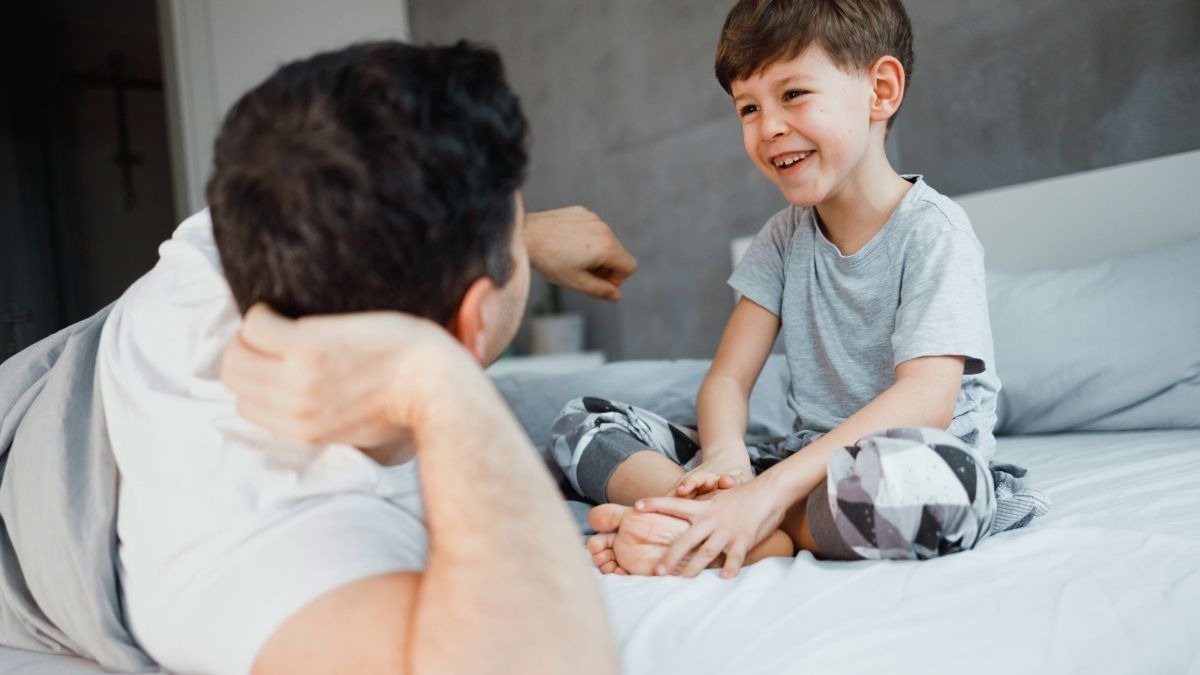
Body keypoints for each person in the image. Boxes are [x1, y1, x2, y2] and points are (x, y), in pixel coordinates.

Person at [97, 41, 629, 675]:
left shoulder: (258, 209)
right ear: (471, 324)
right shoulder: (262, 552)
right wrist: (436, 380)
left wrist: (529, 235)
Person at [551, 0, 1014, 578]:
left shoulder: (934, 232)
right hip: (799, 466)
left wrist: (768, 493)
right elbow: (727, 378)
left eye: (793, 94)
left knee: (937, 493)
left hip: (901, 462)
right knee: (580, 422)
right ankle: (725, 520)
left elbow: (925, 401)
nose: (768, 126)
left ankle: (735, 528)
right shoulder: (782, 238)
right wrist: (726, 457)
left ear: (881, 90)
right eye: (748, 106)